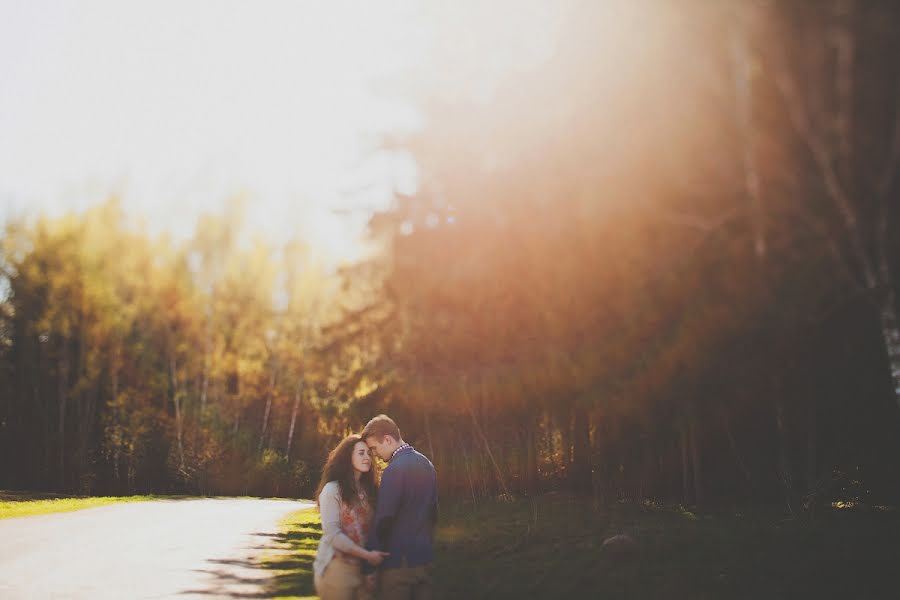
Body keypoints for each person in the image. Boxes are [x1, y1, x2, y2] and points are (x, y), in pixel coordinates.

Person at [361, 414, 438, 600]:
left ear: (387, 439)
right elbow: (433, 514)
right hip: (425, 561)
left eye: (374, 448)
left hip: (398, 565)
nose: (375, 454)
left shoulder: (394, 470)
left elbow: (384, 521)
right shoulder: (427, 464)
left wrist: (369, 566)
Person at [313, 434, 389, 600]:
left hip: (363, 570)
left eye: (369, 453)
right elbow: (332, 534)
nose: (367, 457)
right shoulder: (332, 490)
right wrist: (367, 556)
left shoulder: (370, 492)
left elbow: (374, 532)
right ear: (348, 457)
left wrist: (370, 569)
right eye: (361, 453)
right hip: (337, 569)